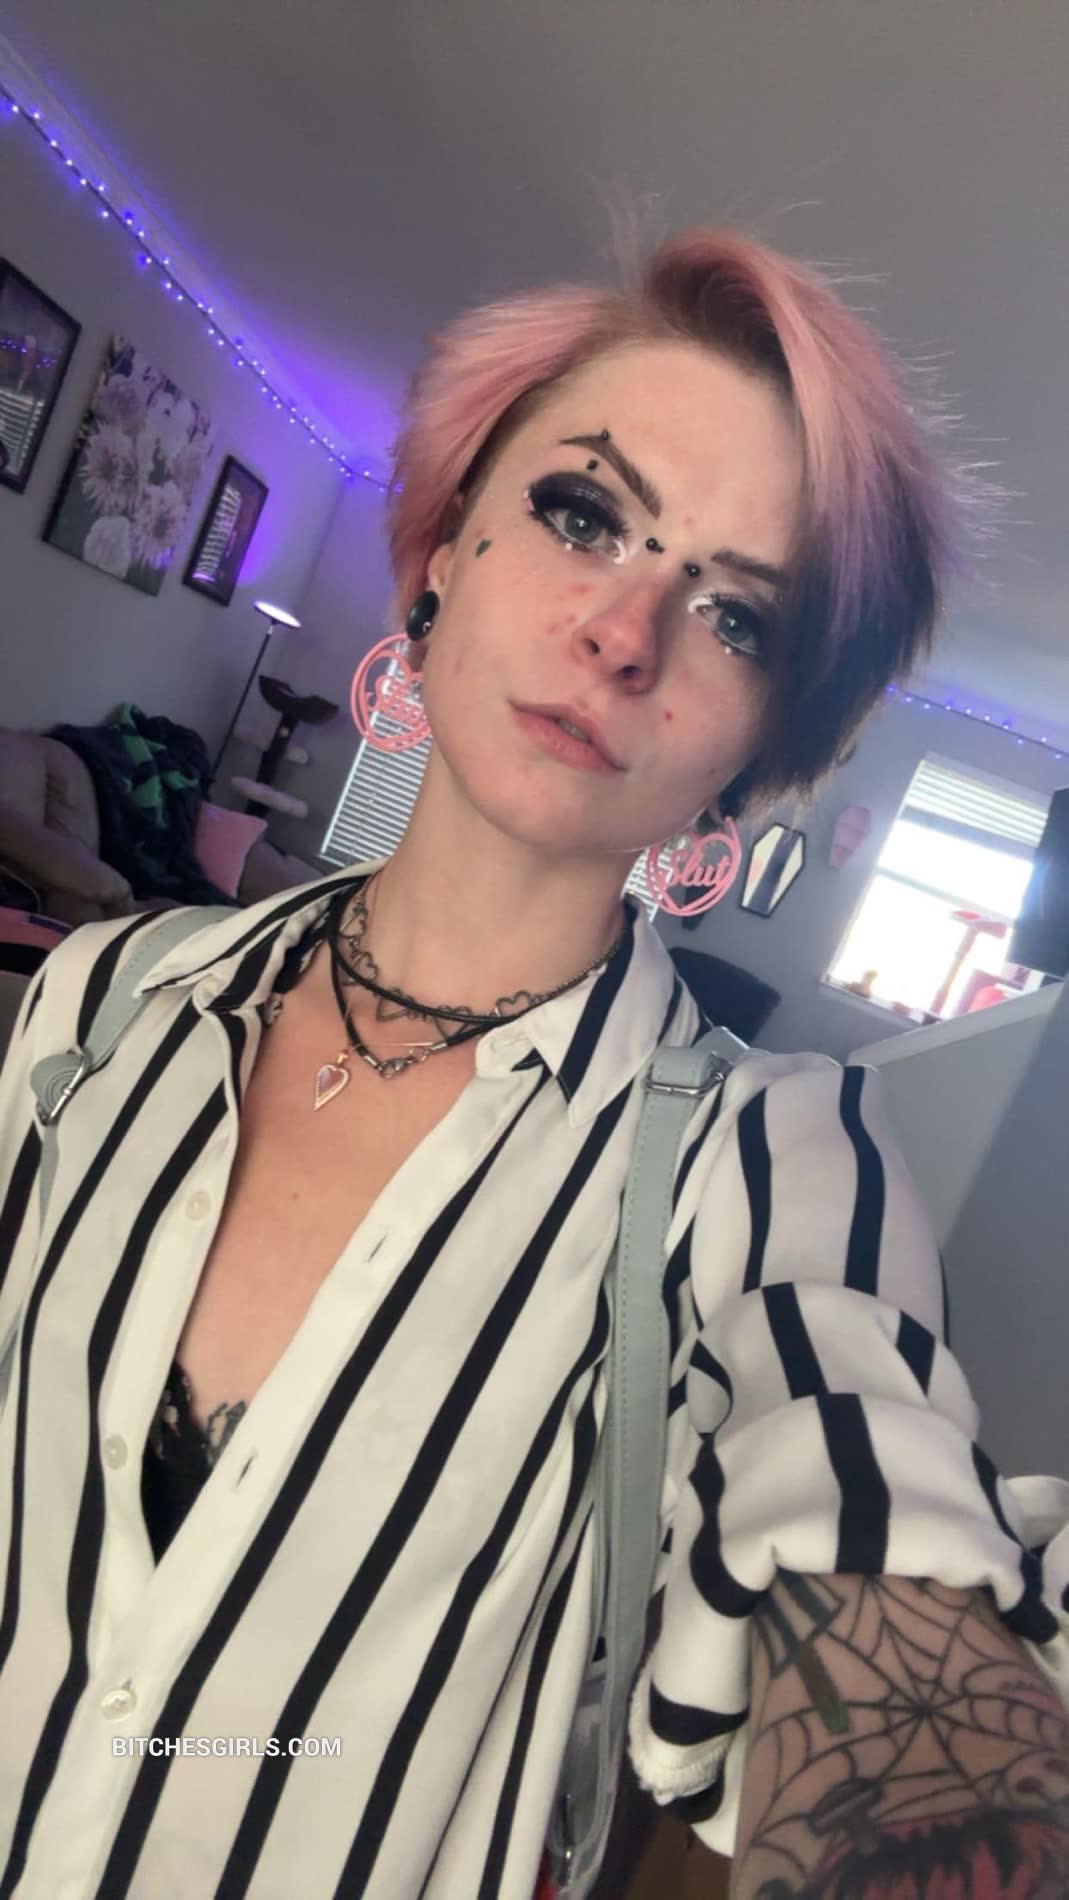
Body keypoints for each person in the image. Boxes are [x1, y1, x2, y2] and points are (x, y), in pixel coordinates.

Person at [1, 226, 1067, 1900]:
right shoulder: (101, 1000)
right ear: (442, 548)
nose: (626, 630)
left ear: (759, 757)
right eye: (583, 513)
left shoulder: (767, 1161)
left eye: (735, 617)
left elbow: (855, 1482)